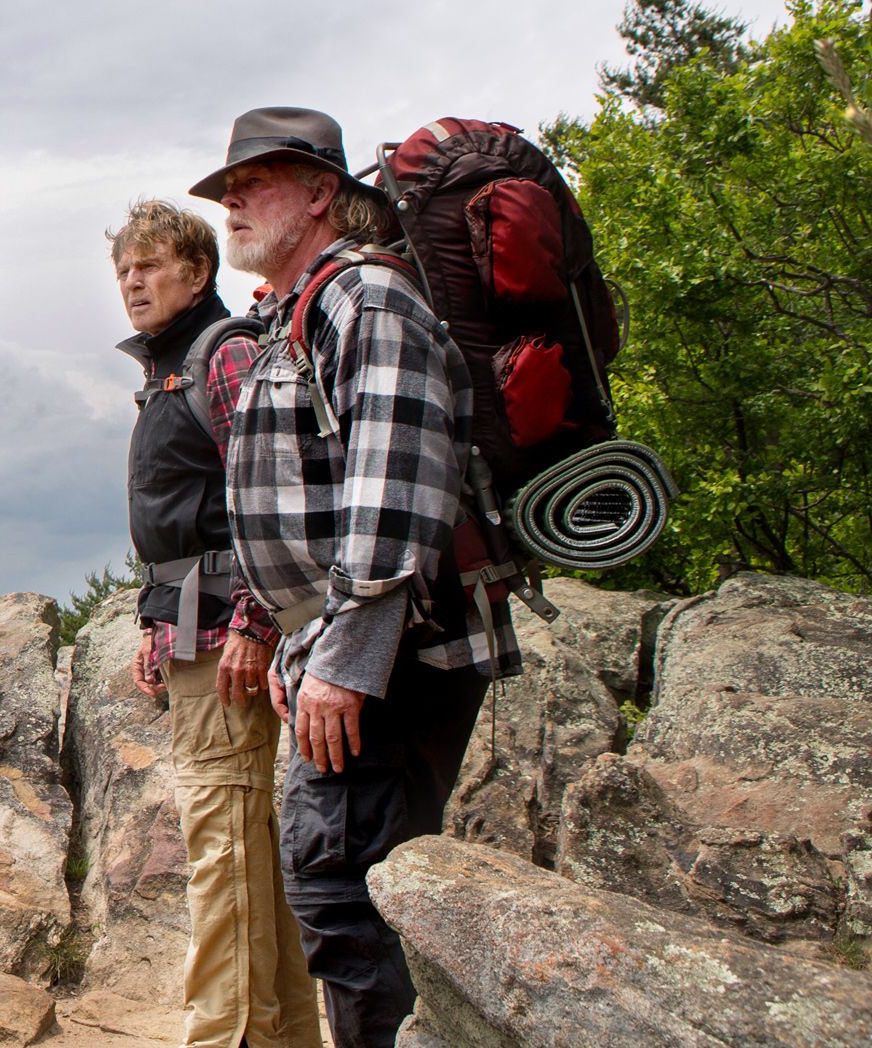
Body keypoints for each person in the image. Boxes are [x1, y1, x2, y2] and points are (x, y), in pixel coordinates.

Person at [189, 107, 521, 1048]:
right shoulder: (295, 311)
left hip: (393, 655)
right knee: (348, 892)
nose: (233, 203)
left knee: (349, 897)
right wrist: (278, 630)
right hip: (343, 651)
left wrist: (347, 657)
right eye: (227, 190)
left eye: (256, 183)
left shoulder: (365, 300)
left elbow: (395, 477)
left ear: (323, 192)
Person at [109, 199, 322, 1048]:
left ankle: (226, 1037)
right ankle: (286, 1034)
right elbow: (184, 516)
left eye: (152, 265)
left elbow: (268, 494)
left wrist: (253, 620)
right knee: (247, 853)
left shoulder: (220, 354)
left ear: (197, 273)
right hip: (192, 631)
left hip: (230, 640)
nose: (133, 281)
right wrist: (153, 623)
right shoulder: (173, 368)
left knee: (222, 848)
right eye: (125, 269)